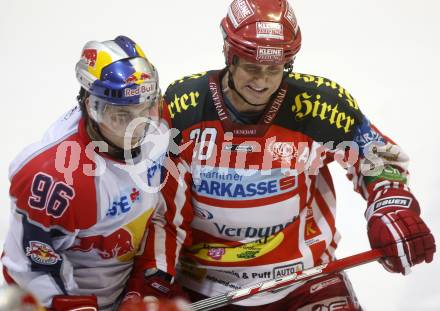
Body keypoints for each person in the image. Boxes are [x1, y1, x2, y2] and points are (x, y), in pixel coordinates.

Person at [121, 1, 436, 310]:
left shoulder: (319, 106)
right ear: (230, 56)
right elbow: (160, 208)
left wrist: (391, 206)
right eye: (251, 67)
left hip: (304, 280)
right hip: (204, 289)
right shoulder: (182, 107)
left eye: (274, 69)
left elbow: (377, 156)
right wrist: (153, 276)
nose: (261, 82)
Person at [1, 35, 170, 311]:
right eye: (120, 115)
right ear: (91, 107)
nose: (136, 127)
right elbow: (28, 266)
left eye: (146, 108)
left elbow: (159, 212)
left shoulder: (159, 126)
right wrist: (76, 307)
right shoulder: (55, 177)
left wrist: (144, 285)